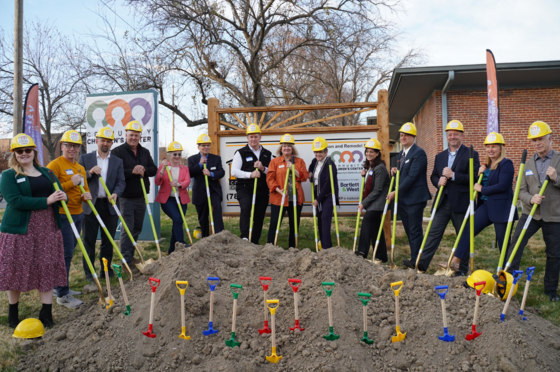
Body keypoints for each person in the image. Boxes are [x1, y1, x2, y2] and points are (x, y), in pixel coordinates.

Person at [0, 134, 67, 328]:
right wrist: (47, 201)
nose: (24, 154)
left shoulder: (47, 173)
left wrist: (62, 197)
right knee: (16, 269)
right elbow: (15, 201)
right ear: (14, 154)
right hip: (20, 230)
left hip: (47, 228)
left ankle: (46, 313)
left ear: (33, 152)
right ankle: (13, 314)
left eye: (28, 150)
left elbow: (60, 196)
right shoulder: (9, 175)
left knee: (46, 267)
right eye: (19, 151)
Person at [413, 120, 480, 274]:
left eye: (455, 134)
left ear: (461, 135)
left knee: (463, 236)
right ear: (447, 136)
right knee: (433, 233)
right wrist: (439, 181)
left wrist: (454, 175)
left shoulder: (471, 153)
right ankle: (421, 265)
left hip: (462, 202)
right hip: (443, 201)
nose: (452, 137)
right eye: (449, 134)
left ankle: (461, 270)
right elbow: (433, 176)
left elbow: (475, 178)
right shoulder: (440, 156)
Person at [446, 132, 517, 276]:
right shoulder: (487, 166)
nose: (490, 149)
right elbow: (481, 183)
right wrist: (480, 175)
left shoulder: (506, 164)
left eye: (494, 146)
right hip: (485, 206)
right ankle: (455, 261)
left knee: (504, 243)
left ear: (501, 148)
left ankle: (507, 273)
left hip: (501, 208)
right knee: (469, 229)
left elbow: (503, 185)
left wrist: (482, 189)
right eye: (488, 147)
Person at [505, 121, 560, 302]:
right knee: (516, 244)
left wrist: (556, 178)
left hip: (553, 215)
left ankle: (550, 289)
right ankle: (509, 281)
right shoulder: (527, 164)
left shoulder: (559, 159)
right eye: (534, 140)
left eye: (541, 139)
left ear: (550, 139)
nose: (537, 143)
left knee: (554, 253)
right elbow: (520, 190)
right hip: (530, 214)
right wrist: (530, 198)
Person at [47, 130, 92, 309]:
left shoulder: (80, 168)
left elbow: (83, 189)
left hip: (78, 213)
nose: (72, 149)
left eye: (76, 146)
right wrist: (70, 183)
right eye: (69, 146)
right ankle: (62, 295)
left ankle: (59, 286)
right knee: (65, 253)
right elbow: (50, 190)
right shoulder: (54, 165)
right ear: (62, 146)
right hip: (63, 215)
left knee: (69, 251)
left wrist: (85, 195)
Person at [78, 127, 125, 280]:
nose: (105, 143)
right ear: (97, 141)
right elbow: (78, 178)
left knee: (108, 240)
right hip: (91, 205)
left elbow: (121, 182)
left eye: (108, 141)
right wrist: (89, 173)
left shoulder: (117, 161)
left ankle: (106, 269)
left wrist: (116, 193)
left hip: (109, 205)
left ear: (112, 143)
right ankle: (89, 273)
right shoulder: (86, 159)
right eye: (103, 140)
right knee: (88, 241)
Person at [111, 120, 158, 268]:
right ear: (126, 135)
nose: (133, 138)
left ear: (140, 136)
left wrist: (143, 169)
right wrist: (132, 171)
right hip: (126, 197)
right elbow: (115, 172)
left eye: (136, 136)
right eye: (131, 135)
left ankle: (130, 256)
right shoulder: (117, 152)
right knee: (127, 229)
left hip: (141, 196)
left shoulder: (144, 152)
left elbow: (153, 169)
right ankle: (125, 262)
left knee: (137, 228)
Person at [387, 122, 431, 267]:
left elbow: (412, 177)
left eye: (406, 135)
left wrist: (395, 192)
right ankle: (414, 258)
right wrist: (396, 170)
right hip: (404, 199)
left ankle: (418, 261)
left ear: (413, 137)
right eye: (402, 135)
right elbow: (405, 172)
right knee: (409, 230)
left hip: (415, 199)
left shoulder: (419, 153)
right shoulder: (402, 153)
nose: (403, 137)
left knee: (415, 230)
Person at [231, 124, 272, 244]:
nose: (253, 139)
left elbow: (272, 171)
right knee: (246, 208)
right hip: (245, 188)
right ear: (247, 138)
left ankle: (254, 241)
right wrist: (250, 175)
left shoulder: (267, 153)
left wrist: (263, 168)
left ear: (260, 137)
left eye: (255, 136)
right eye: (251, 136)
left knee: (259, 215)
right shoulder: (241, 153)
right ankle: (244, 237)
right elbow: (234, 171)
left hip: (262, 189)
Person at [266, 134, 308, 247]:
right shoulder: (274, 162)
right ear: (281, 148)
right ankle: (270, 246)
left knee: (294, 225)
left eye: (289, 146)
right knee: (274, 223)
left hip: (295, 198)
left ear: (292, 148)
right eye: (284, 146)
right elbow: (269, 179)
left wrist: (293, 169)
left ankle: (292, 249)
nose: (286, 148)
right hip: (279, 198)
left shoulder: (299, 162)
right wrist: (278, 190)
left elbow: (304, 177)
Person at [355, 138, 390, 260]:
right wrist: (364, 175)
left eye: (372, 152)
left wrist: (363, 204)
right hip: (373, 203)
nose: (369, 154)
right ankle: (381, 256)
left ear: (377, 153)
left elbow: (377, 190)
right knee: (375, 229)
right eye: (367, 151)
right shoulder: (370, 167)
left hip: (378, 204)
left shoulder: (380, 168)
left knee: (366, 224)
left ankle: (362, 252)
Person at [155, 141, 191, 253]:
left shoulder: (184, 168)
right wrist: (162, 170)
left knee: (177, 223)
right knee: (177, 219)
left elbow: (187, 181)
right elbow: (157, 182)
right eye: (174, 154)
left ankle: (171, 251)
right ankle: (181, 243)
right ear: (169, 155)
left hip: (181, 199)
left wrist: (178, 184)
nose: (177, 157)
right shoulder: (164, 167)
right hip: (168, 200)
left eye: (179, 154)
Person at [187, 134, 225, 237]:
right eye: (203, 145)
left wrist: (211, 174)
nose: (206, 147)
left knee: (217, 208)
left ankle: (219, 235)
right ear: (198, 147)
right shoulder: (192, 159)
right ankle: (205, 238)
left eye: (208, 145)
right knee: (203, 216)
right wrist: (199, 164)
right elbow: (190, 173)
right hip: (200, 192)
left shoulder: (216, 159)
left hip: (213, 191)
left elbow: (221, 172)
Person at [308, 137, 339, 249]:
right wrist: (310, 172)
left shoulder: (330, 164)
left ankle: (326, 249)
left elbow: (328, 184)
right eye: (316, 152)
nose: (318, 154)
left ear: (326, 152)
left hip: (328, 195)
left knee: (325, 220)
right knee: (320, 219)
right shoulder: (314, 162)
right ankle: (323, 245)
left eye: (321, 151)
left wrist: (318, 199)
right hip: (318, 194)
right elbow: (311, 167)